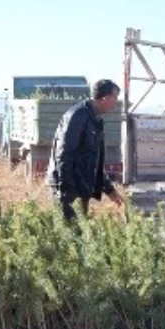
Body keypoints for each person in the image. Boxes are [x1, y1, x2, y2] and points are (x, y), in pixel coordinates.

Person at [46, 78, 125, 221]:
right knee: (70, 234)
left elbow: (95, 162)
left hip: (81, 187)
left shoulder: (95, 120)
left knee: (79, 234)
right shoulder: (78, 116)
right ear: (104, 98)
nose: (115, 104)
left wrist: (110, 190)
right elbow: (64, 154)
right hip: (68, 188)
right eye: (115, 98)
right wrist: (66, 190)